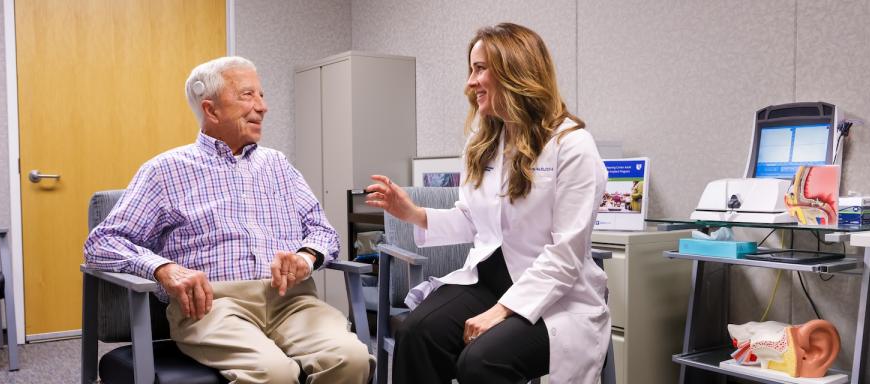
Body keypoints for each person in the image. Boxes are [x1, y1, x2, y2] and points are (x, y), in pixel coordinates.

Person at [84, 56, 372, 384]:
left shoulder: (278, 165)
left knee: (351, 359)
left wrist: (306, 257)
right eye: (248, 95)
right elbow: (102, 241)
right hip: (214, 306)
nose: (262, 107)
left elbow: (322, 230)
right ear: (211, 110)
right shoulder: (165, 170)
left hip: (293, 300)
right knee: (274, 374)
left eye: (262, 95)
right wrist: (163, 269)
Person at [366, 23, 610, 384]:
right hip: (487, 280)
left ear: (515, 70)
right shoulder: (483, 142)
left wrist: (502, 311)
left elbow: (566, 253)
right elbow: (472, 219)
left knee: (481, 361)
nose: (470, 82)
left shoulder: (572, 146)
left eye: (479, 69)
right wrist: (413, 214)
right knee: (416, 333)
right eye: (471, 70)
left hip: (554, 296)